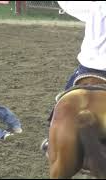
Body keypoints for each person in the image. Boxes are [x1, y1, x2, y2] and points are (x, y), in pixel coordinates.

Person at [41, 1, 106, 154]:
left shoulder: (94, 7)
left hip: (88, 68)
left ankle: (52, 140)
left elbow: (69, 5)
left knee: (62, 101)